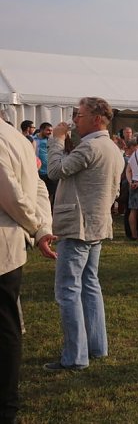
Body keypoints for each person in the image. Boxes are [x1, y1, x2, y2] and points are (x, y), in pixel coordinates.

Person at [45, 97, 124, 371]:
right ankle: (96, 346)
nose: (74, 119)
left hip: (78, 226)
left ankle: (75, 357)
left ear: (96, 118)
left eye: (79, 114)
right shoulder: (112, 148)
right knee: (90, 285)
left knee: (68, 291)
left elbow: (54, 171)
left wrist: (56, 140)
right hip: (96, 225)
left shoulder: (90, 146)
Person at [1, 114, 56, 422]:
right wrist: (41, 228)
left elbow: (12, 193)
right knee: (7, 326)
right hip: (10, 249)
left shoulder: (11, 140)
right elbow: (37, 188)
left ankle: (7, 405)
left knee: (6, 328)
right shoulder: (20, 140)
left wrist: (37, 227)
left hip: (4, 246)